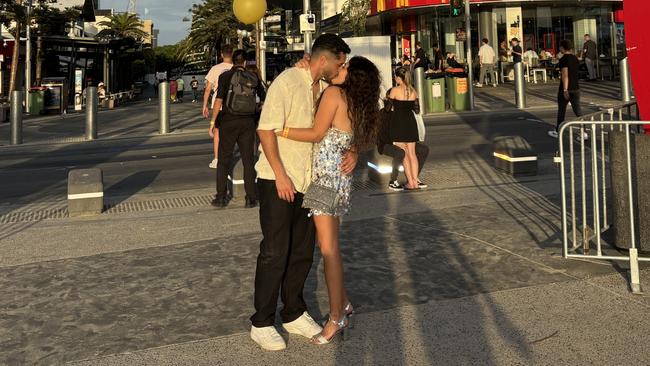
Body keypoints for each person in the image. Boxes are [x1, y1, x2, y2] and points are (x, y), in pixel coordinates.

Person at [251, 33, 353, 351]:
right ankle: (262, 322)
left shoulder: (325, 89)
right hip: (278, 179)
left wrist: (355, 152)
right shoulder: (287, 82)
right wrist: (280, 175)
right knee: (275, 251)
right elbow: (265, 128)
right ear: (324, 59)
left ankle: (293, 311)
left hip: (313, 182)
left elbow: (342, 129)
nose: (342, 68)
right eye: (339, 62)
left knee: (303, 251)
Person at [276, 55, 381, 344]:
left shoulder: (335, 93)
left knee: (329, 250)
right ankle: (344, 302)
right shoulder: (354, 100)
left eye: (345, 67)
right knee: (330, 246)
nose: (340, 67)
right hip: (338, 180)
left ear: (352, 76)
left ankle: (336, 317)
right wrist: (356, 150)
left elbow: (316, 133)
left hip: (325, 181)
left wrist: (279, 129)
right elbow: (353, 134)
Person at [211, 49, 266, 209]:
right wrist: (254, 111)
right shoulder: (253, 77)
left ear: (233, 61)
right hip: (248, 123)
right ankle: (251, 197)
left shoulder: (225, 76)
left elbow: (219, 100)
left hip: (228, 122)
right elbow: (264, 98)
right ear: (245, 62)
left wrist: (213, 121)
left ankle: (221, 197)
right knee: (248, 160)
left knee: (223, 160)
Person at [378, 89, 429, 191]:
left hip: (402, 140)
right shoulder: (383, 113)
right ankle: (393, 181)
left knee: (423, 149)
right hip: (387, 143)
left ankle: (413, 179)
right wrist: (395, 142)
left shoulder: (400, 113)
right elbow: (382, 134)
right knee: (401, 152)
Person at [387, 67, 421, 190]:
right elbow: (417, 110)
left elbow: (387, 109)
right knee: (412, 153)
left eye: (396, 77)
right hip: (411, 123)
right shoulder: (413, 91)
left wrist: (389, 102)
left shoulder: (395, 90)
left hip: (399, 124)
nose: (395, 79)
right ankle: (415, 182)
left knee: (404, 154)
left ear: (399, 78)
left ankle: (410, 183)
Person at [204, 45, 234, 169]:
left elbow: (207, 89)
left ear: (221, 54)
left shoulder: (215, 69)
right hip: (233, 104)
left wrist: (205, 105)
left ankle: (217, 158)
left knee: (217, 131)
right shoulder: (236, 68)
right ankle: (229, 157)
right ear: (232, 54)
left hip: (219, 105)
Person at [548, 40, 582, 139]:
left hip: (567, 88)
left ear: (562, 48)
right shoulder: (575, 58)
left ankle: (558, 131)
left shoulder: (563, 59)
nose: (559, 49)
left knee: (562, 110)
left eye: (560, 47)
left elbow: (565, 75)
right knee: (578, 111)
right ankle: (583, 132)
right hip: (576, 87)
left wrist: (565, 89)